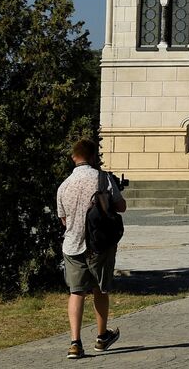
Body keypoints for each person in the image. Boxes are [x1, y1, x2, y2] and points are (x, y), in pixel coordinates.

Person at [56, 139, 126, 359]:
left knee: (76, 293)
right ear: (94, 156)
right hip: (98, 245)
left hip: (72, 245)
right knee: (100, 289)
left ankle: (75, 343)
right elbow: (121, 206)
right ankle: (101, 336)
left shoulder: (64, 185)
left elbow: (64, 220)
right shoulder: (102, 178)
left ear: (73, 157)